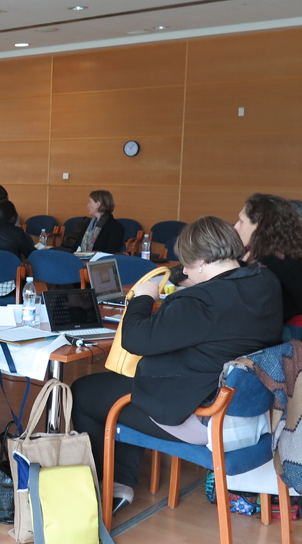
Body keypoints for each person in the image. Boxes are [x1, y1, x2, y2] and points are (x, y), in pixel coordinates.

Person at [71, 216, 283, 509]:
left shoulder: (201, 301)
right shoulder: (265, 282)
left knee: (83, 392)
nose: (183, 270)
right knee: (128, 386)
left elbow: (135, 339)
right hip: (249, 417)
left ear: (202, 261)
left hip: (203, 417)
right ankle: (121, 481)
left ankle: (104, 491)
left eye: (186, 264)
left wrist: (143, 299)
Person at [234, 193, 302, 324]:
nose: (236, 226)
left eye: (241, 221)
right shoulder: (289, 254)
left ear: (258, 226)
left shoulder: (268, 263)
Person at [60, 190, 125, 254]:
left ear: (98, 204)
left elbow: (111, 253)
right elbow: (76, 247)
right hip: (80, 258)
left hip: (100, 260)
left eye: (90, 202)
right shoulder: (88, 224)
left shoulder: (116, 227)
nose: (87, 206)